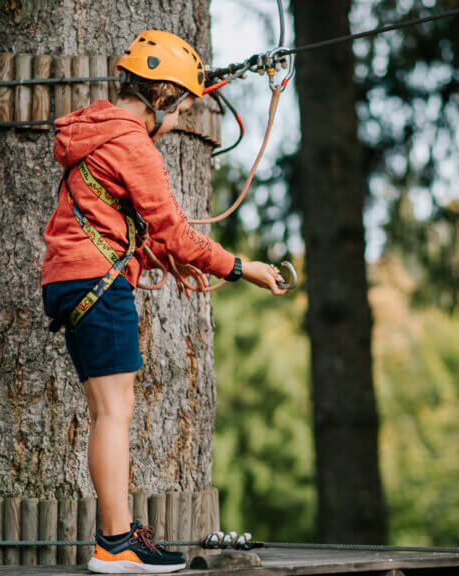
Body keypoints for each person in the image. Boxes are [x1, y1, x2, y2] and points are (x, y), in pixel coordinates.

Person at [40, 30, 286, 574]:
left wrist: (156, 258)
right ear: (163, 96)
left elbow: (111, 217)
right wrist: (242, 268)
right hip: (98, 283)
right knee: (114, 413)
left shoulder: (97, 131)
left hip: (69, 279)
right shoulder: (133, 144)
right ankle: (116, 544)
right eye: (181, 111)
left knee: (105, 412)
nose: (177, 122)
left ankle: (116, 538)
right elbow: (176, 232)